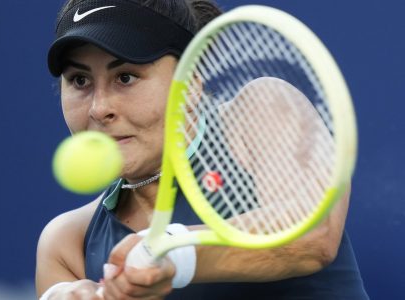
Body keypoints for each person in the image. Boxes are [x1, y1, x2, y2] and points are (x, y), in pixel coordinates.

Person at [36, 0, 370, 299]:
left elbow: (312, 234)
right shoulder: (67, 243)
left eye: (125, 77)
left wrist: (173, 252)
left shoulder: (261, 111)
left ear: (192, 83)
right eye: (80, 80)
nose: (99, 108)